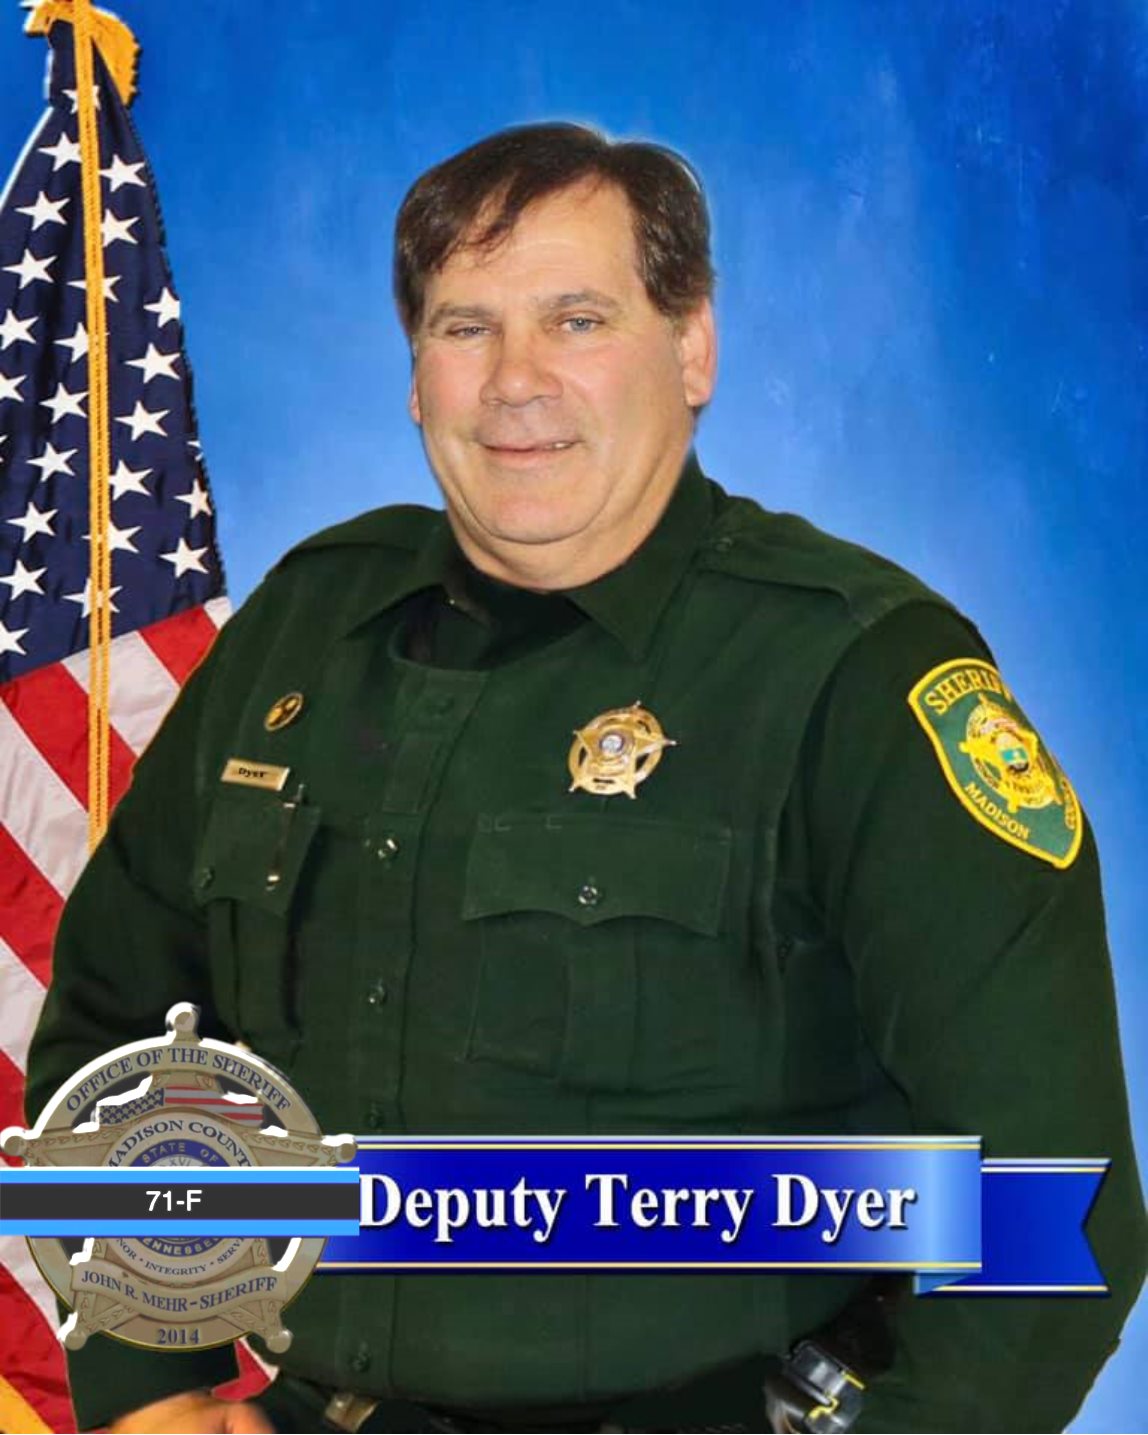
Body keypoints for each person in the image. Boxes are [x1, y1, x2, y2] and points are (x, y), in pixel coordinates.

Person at [26, 122, 1146, 1434]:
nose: (516, 382)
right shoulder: (307, 629)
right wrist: (149, 1379)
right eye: (465, 328)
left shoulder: (855, 675)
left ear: (693, 348)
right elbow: (118, 1019)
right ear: (415, 377)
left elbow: (1059, 1211)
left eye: (577, 321)